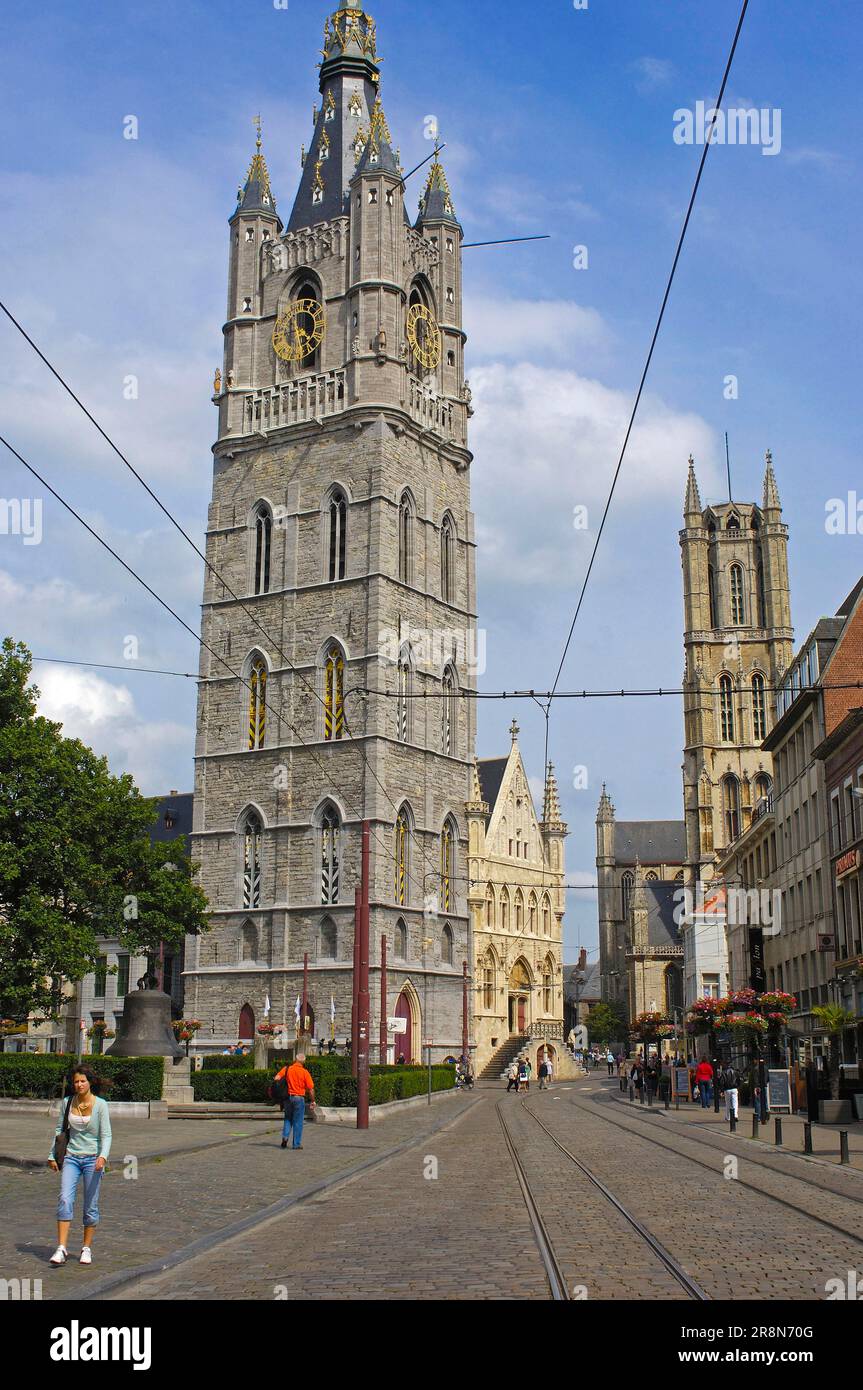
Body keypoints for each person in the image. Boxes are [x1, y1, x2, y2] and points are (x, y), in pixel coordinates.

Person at [48, 1065, 112, 1267]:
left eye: (82, 1081)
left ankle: (86, 1247)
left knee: (90, 1206)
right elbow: (60, 1129)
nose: (79, 1084)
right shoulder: (67, 1103)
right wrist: (52, 1155)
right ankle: (61, 1247)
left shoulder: (101, 1105)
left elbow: (106, 1135)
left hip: (93, 1160)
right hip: (71, 1158)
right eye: (76, 1081)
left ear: (89, 1082)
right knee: (65, 1199)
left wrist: (103, 1156)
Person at [274, 1051, 316, 1149]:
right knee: (298, 1121)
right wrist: (313, 1101)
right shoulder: (305, 1072)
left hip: (287, 1098)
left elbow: (276, 1078)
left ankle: (285, 1138)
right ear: (303, 1062)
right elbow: (311, 1089)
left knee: (288, 1118)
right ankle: (296, 1144)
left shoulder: (287, 1069)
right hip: (299, 1098)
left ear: (295, 1060)